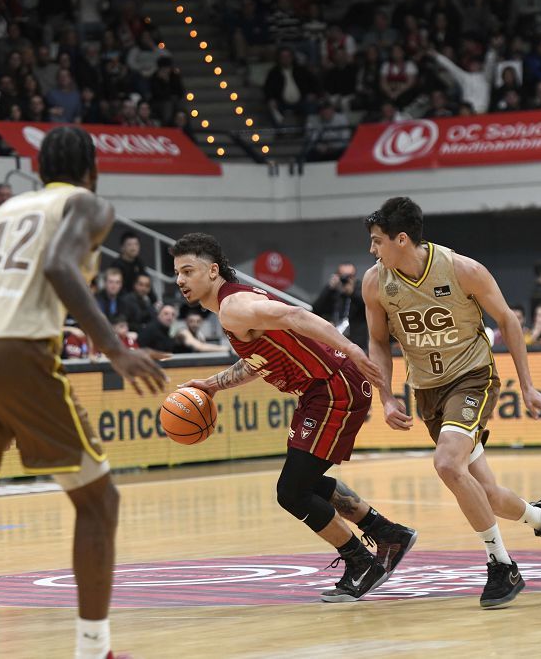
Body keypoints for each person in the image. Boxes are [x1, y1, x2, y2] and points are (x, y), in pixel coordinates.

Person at [0, 126, 168, 659]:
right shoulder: (88, 202)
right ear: (91, 171)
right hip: (18, 351)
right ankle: (94, 650)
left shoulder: (4, 211)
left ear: (39, 166)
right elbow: (56, 265)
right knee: (99, 502)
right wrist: (114, 349)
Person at [362, 197, 541, 609]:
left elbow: (509, 321)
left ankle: (502, 565)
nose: (372, 251)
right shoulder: (376, 282)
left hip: (472, 378)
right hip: (427, 390)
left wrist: (529, 386)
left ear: (402, 239)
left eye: (378, 242)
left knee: (447, 464)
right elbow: (378, 339)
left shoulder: (462, 269)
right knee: (489, 493)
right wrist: (387, 396)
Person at [172, 232, 417, 604]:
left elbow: (295, 314)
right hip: (319, 391)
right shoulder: (233, 308)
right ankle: (387, 533)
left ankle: (361, 562)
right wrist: (213, 384)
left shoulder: (234, 306)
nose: (180, 281)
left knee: (292, 492)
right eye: (177, 273)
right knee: (304, 483)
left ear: (212, 271)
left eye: (188, 271)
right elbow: (261, 359)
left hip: (334, 388)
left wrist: (351, 348)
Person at [312, 262, 367, 350]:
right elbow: (316, 309)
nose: (346, 279)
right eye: (343, 275)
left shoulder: (360, 288)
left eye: (350, 276)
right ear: (337, 275)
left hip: (356, 340)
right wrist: (329, 288)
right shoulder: (333, 291)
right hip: (334, 337)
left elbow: (368, 308)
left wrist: (352, 293)